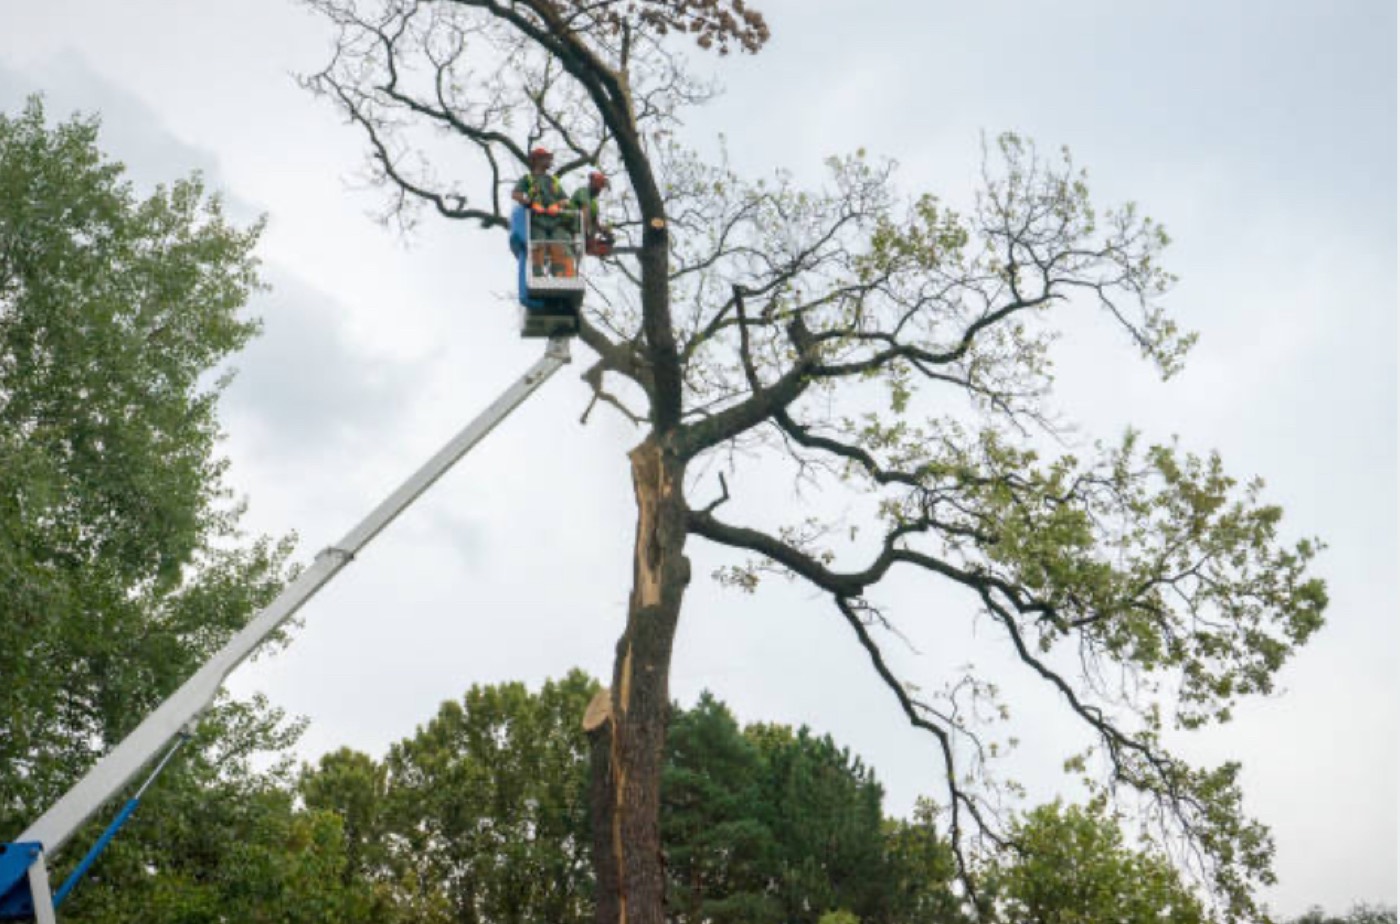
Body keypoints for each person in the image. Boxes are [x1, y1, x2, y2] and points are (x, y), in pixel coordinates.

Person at [511, 147, 576, 277]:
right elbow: (516, 194)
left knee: (560, 244)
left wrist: (557, 205)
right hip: (537, 221)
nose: (548, 161)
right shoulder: (528, 179)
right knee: (538, 244)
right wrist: (531, 204)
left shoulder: (553, 181)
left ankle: (561, 274)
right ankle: (538, 274)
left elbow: (565, 200)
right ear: (536, 160)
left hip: (556, 222)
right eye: (545, 158)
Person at [571, 171, 615, 256]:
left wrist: (605, 232)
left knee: (603, 247)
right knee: (586, 241)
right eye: (599, 187)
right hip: (574, 229)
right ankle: (587, 243)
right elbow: (585, 212)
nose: (600, 190)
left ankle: (592, 246)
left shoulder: (594, 203)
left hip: (583, 234)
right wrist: (587, 234)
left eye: (601, 188)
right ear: (593, 185)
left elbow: (595, 224)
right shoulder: (583, 192)